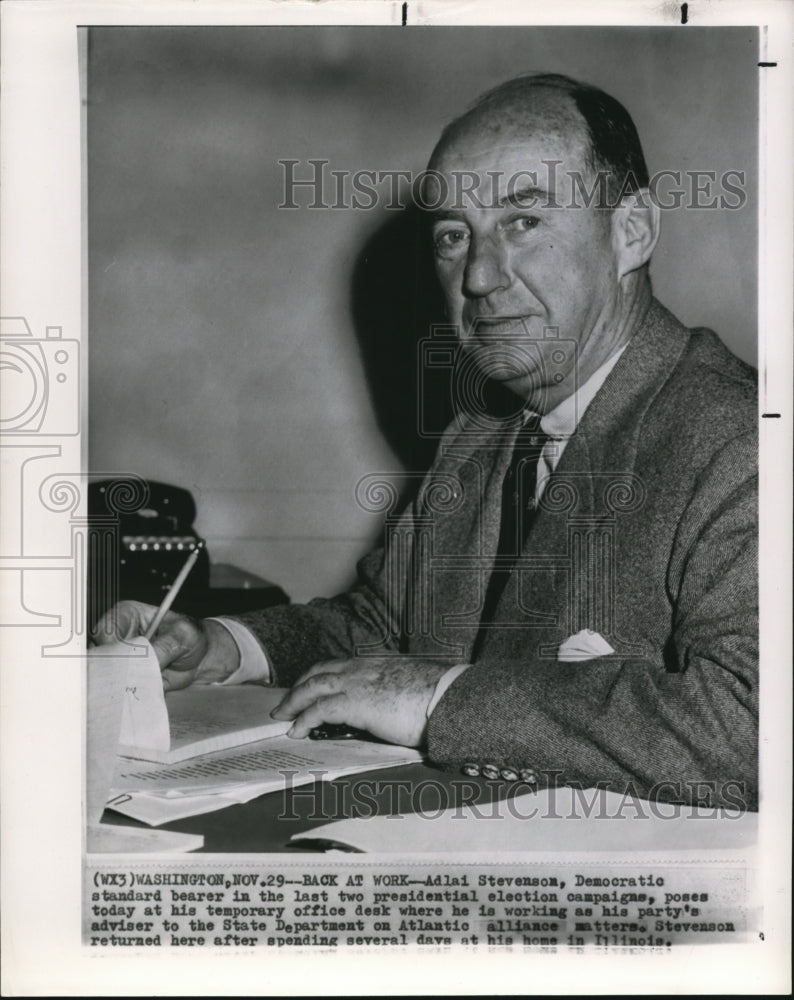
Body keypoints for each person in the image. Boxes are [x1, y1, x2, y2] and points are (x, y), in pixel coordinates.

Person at [95, 74, 758, 808]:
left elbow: (755, 725)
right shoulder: (482, 430)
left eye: (523, 222)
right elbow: (379, 627)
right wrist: (227, 648)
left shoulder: (740, 439)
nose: (477, 276)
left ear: (631, 232)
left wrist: (441, 699)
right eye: (453, 236)